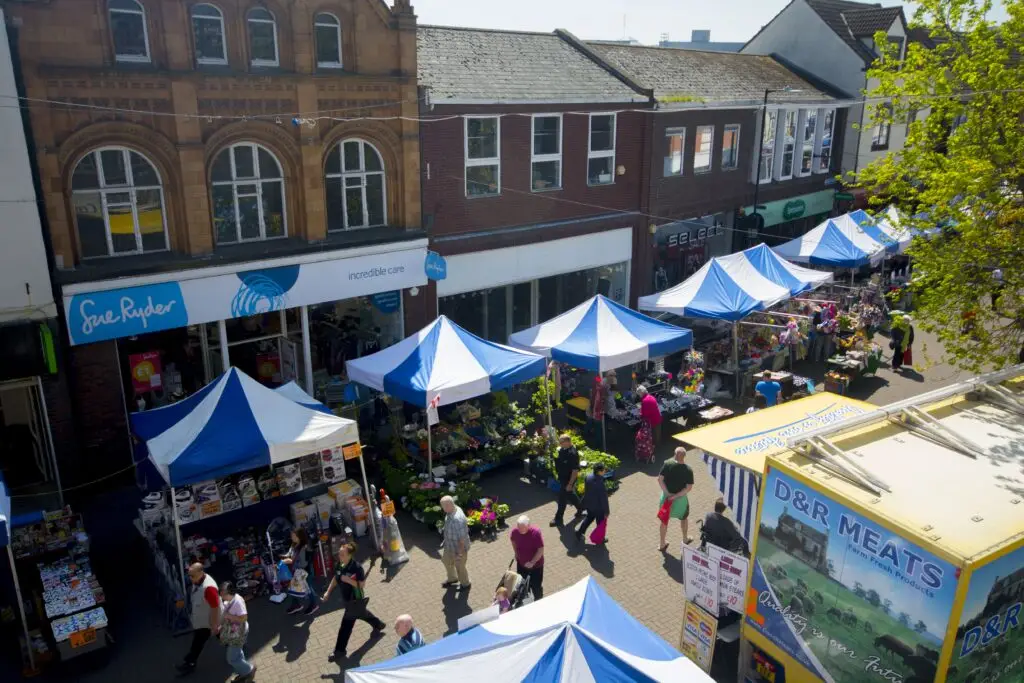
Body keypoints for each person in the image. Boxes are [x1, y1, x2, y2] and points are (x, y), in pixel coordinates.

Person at [322, 543, 386, 662]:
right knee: (363, 614)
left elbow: (361, 585)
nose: (339, 555)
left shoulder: (357, 568)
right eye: (339, 553)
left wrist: (348, 580)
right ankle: (378, 624)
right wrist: (328, 592)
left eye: (342, 554)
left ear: (350, 555)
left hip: (354, 600)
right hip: (349, 602)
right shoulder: (340, 565)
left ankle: (339, 651)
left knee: (345, 627)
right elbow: (336, 578)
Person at [176, 563, 223, 677]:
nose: (190, 578)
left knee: (199, 642)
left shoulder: (209, 588)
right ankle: (190, 662)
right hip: (204, 621)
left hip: (208, 622)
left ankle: (190, 663)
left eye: (193, 576)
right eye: (190, 575)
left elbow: (215, 608)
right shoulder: (198, 581)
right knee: (203, 641)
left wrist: (214, 625)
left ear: (201, 573)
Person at [658, 447, 695, 552]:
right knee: (684, 518)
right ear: (684, 456)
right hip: (680, 500)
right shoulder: (688, 470)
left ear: (674, 454)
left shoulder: (667, 464)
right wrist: (675, 496)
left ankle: (662, 544)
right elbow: (688, 488)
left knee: (664, 521)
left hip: (666, 499)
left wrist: (668, 494)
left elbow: (660, 480)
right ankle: (685, 538)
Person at [218, 581, 256, 682]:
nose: (221, 596)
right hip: (235, 632)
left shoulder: (237, 602)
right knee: (238, 654)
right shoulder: (231, 599)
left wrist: (229, 616)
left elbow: (243, 618)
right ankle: (243, 672)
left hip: (238, 634)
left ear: (228, 593)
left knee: (231, 658)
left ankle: (249, 670)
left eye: (222, 594)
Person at [281, 528, 318, 615]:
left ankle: (313, 605)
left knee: (308, 589)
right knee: (292, 588)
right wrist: (283, 556)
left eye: (293, 535)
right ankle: (296, 604)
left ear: (299, 537)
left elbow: (303, 563)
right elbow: (289, 554)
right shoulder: (294, 545)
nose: (291, 537)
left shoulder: (303, 547)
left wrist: (290, 561)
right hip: (296, 572)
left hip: (304, 572)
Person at [509, 515, 544, 600]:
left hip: (536, 567)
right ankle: (525, 599)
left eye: (522, 528)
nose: (520, 530)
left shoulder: (535, 533)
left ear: (528, 525)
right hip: (521, 565)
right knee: (522, 585)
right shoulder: (515, 532)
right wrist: (516, 553)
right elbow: (513, 541)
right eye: (518, 527)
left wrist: (532, 562)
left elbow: (540, 550)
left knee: (536, 586)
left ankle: (538, 599)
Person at [550, 434, 582, 527]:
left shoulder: (573, 454)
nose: (559, 444)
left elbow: (575, 470)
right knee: (570, 494)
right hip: (562, 478)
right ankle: (581, 509)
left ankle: (558, 518)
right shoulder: (562, 449)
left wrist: (570, 484)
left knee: (562, 498)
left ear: (567, 442)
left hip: (568, 480)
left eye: (561, 442)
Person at [440, 496, 471, 590]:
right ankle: (453, 578)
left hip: (458, 549)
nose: (442, 508)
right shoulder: (453, 508)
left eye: (443, 506)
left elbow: (462, 539)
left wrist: (460, 554)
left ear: (449, 505)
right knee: (446, 560)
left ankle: (466, 584)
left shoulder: (457, 520)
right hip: (449, 545)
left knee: (460, 567)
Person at [576, 463, 610, 545]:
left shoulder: (588, 477)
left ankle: (579, 532)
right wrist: (607, 511)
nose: (604, 471)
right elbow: (603, 499)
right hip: (598, 508)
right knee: (600, 523)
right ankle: (600, 539)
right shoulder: (600, 483)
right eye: (603, 470)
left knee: (589, 518)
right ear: (599, 471)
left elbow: (587, 491)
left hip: (589, 504)